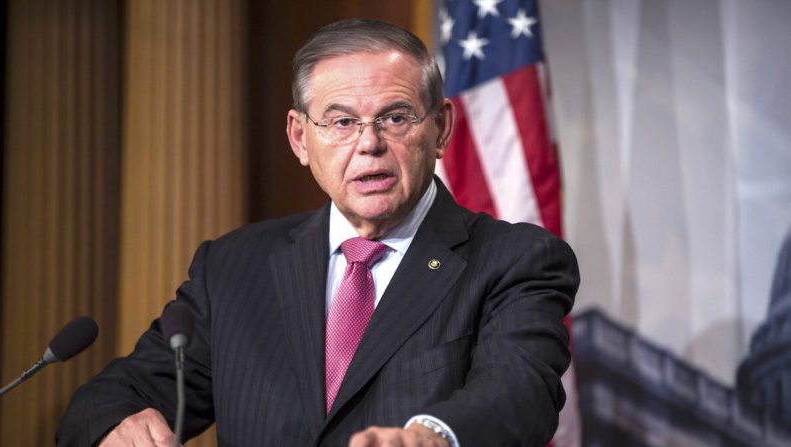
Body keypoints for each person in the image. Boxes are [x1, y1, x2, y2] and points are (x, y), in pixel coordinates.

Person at [56, 18, 579, 447]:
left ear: (440, 128)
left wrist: (434, 435)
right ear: (300, 137)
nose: (369, 144)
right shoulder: (234, 266)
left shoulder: (516, 259)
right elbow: (110, 397)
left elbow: (520, 391)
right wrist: (115, 422)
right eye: (341, 122)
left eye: (395, 118)